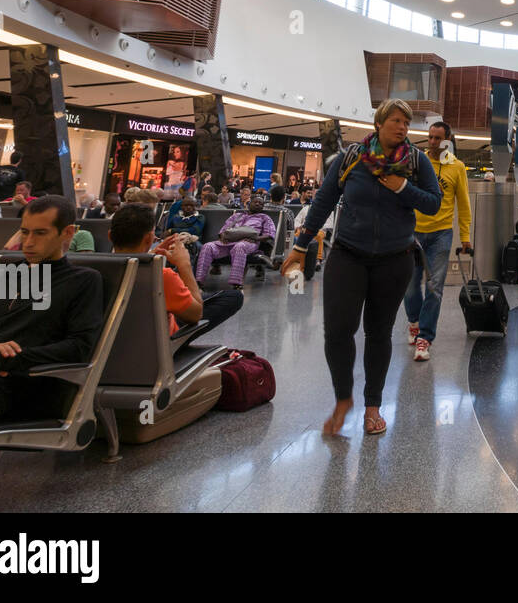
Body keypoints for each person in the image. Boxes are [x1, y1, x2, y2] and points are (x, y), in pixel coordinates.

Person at [282, 99, 441, 438]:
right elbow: (324, 199)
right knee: (337, 332)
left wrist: (402, 188)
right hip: (347, 255)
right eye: (396, 120)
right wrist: (300, 245)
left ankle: (373, 406)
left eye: (406, 122)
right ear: (379, 123)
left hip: (394, 258)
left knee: (378, 333)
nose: (402, 127)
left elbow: (433, 203)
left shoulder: (416, 161)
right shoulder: (352, 157)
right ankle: (343, 400)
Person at [0, 196, 104, 443]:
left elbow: (79, 347)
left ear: (67, 233)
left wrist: (4, 359)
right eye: (24, 232)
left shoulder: (83, 281)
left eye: (40, 233)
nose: (28, 243)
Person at [110, 204, 242, 334]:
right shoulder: (162, 276)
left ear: (110, 236)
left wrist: (150, 255)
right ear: (150, 237)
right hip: (162, 343)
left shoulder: (96, 268)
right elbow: (196, 314)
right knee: (233, 296)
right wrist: (185, 265)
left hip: (120, 336)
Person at [404, 121, 472, 362]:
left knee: (435, 287)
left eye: (437, 138)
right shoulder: (416, 163)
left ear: (448, 140)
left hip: (441, 234)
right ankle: (414, 321)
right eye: (430, 137)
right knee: (410, 285)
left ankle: (425, 337)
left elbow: (463, 204)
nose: (432, 143)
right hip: (413, 232)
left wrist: (465, 236)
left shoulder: (457, 167)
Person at [195, 197, 276, 289]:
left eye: (260, 203)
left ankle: (236, 283)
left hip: (248, 243)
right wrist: (223, 237)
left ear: (262, 207)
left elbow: (269, 234)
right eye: (255, 202)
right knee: (207, 246)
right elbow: (223, 230)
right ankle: (199, 281)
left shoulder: (264, 218)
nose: (257, 204)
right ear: (249, 204)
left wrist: (256, 238)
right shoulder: (237, 216)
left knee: (239, 246)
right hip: (228, 242)